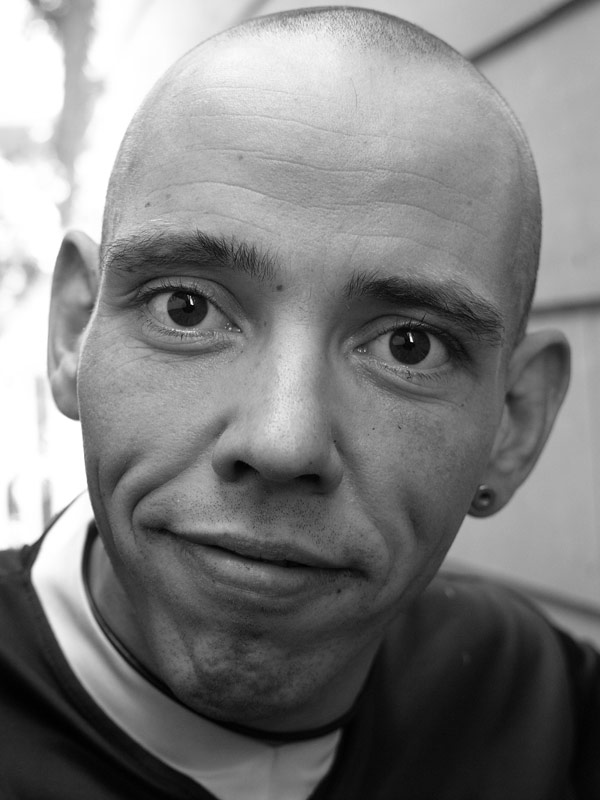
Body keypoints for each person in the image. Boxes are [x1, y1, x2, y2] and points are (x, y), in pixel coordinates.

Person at [1, 6, 595, 799]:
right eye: (187, 308)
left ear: (514, 423)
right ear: (75, 332)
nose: (283, 442)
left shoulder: (540, 707)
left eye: (408, 346)